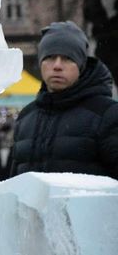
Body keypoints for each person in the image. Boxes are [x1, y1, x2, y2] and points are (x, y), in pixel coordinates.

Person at [9, 21, 118, 180]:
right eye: (50, 57)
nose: (57, 66)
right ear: (41, 63)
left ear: (80, 65)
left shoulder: (107, 115)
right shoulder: (26, 117)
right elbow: (13, 183)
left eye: (67, 58)